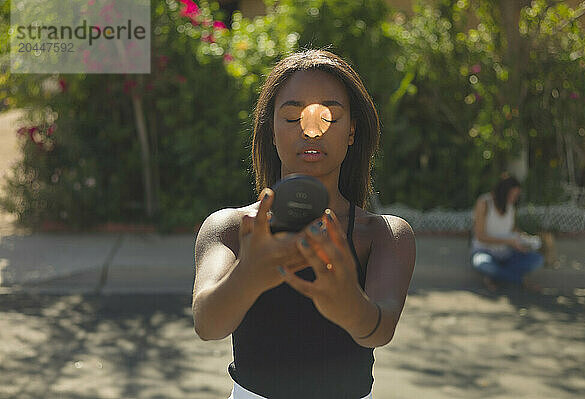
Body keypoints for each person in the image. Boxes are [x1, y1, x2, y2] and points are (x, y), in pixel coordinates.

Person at [192, 49, 416, 398]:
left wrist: (348, 304)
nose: (311, 131)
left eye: (329, 116)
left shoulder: (385, 235)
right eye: (293, 116)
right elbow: (207, 323)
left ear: (352, 131)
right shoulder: (232, 228)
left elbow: (379, 329)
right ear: (270, 130)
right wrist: (247, 276)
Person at [471, 174, 544, 292]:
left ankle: (495, 275)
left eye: (516, 196)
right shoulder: (484, 203)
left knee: (537, 259)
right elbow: (480, 236)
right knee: (482, 263)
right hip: (486, 251)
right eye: (512, 195)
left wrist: (526, 240)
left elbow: (513, 230)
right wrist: (508, 241)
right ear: (503, 192)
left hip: (507, 253)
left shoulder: (510, 207)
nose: (514, 198)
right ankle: (521, 281)